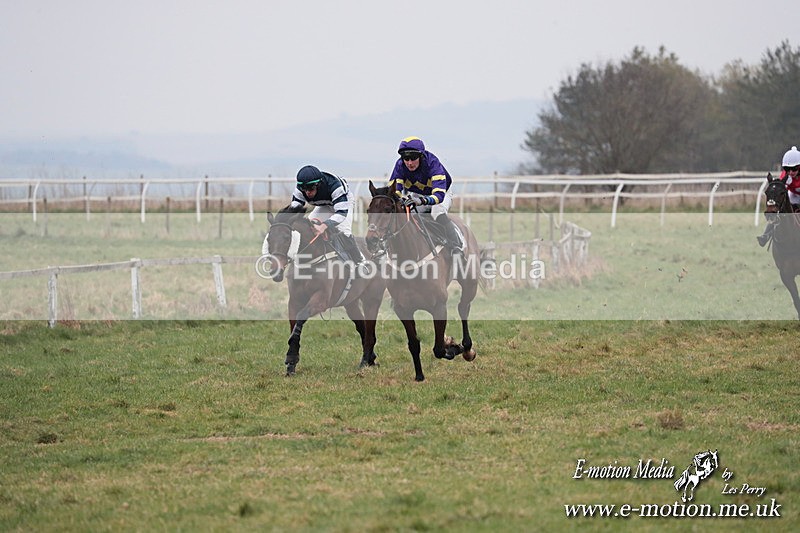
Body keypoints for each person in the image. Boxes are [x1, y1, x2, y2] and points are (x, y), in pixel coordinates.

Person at [388, 136, 463, 257]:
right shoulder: (400, 165)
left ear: (421, 156)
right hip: (418, 194)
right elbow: (394, 192)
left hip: (441, 193)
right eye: (406, 158)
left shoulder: (433, 163)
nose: (409, 163)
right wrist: (401, 200)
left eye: (413, 158)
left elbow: (439, 196)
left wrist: (421, 201)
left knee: (436, 213)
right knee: (408, 216)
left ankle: (456, 247)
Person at [290, 165, 364, 264]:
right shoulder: (299, 190)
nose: (307, 192)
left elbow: (341, 213)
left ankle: (360, 261)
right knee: (309, 228)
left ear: (318, 185)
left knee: (344, 232)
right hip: (324, 205)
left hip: (343, 203)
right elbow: (293, 213)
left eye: (311, 188)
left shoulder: (334, 186)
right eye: (304, 188)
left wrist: (324, 226)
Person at [758, 146, 800, 246]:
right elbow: (780, 188)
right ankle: (766, 235)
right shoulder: (785, 175)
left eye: (793, 169)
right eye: (787, 169)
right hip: (793, 194)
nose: (790, 172)